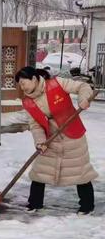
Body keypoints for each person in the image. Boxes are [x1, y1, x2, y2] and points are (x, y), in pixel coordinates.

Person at [15, 66, 98, 215]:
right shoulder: (28, 102)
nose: (22, 87)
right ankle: (34, 203)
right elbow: (35, 125)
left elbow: (83, 86)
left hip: (72, 132)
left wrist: (83, 99)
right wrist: (40, 141)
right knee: (40, 171)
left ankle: (87, 206)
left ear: (34, 79)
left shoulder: (56, 83)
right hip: (50, 137)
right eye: (20, 85)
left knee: (80, 171)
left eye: (23, 83)